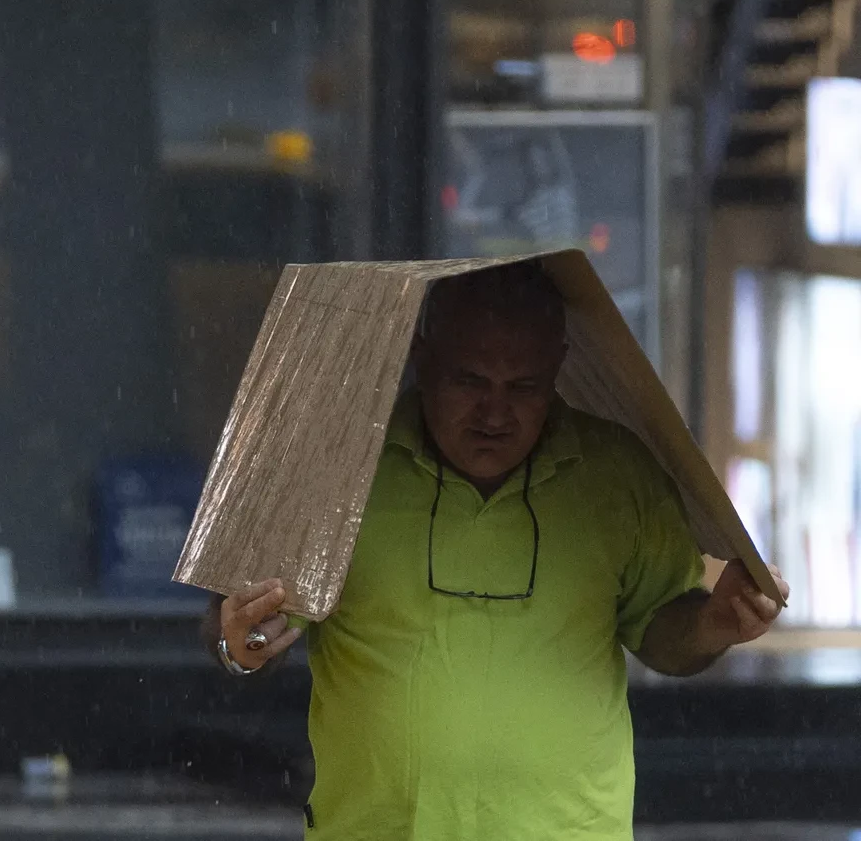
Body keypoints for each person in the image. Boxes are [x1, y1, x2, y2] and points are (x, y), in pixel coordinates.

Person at [204, 261, 790, 840]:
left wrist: (715, 622)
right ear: (421, 356)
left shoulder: (619, 475)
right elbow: (245, 624)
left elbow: (661, 633)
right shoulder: (338, 473)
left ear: (558, 366)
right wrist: (240, 642)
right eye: (470, 381)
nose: (494, 412)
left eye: (523, 387)